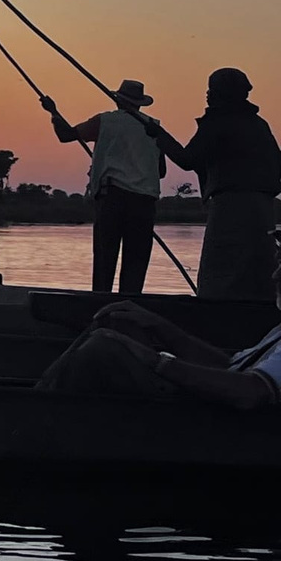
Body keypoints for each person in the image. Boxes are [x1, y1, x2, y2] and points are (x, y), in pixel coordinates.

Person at [38, 240, 281, 410]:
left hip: (214, 421)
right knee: (118, 321)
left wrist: (158, 362)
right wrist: (160, 327)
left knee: (102, 349)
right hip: (210, 403)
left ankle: (32, 417)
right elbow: (230, 365)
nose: (275, 276)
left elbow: (250, 392)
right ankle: (37, 402)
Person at [145, 68, 281, 301]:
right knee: (259, 268)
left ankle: (213, 313)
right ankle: (260, 316)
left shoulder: (218, 122)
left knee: (220, 270)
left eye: (212, 90)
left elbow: (188, 160)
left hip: (230, 208)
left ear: (223, 93)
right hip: (263, 208)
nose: (207, 95)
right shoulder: (259, 124)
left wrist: (159, 135)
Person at [41, 79, 165, 294]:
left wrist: (53, 111)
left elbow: (66, 135)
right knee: (136, 265)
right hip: (144, 203)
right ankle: (130, 308)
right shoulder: (154, 127)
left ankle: (99, 309)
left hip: (113, 199)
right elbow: (160, 171)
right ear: (140, 103)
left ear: (118, 100)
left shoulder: (104, 122)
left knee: (105, 260)